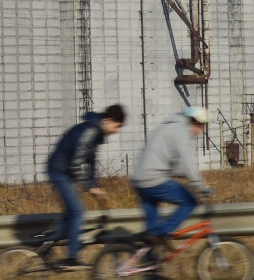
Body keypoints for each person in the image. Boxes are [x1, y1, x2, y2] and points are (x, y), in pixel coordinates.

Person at [45, 104, 126, 269]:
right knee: (78, 212)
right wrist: (90, 187)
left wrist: (94, 185)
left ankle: (46, 244)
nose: (117, 131)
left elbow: (91, 162)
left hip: (65, 171)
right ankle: (72, 257)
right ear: (109, 120)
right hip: (59, 171)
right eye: (117, 126)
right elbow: (76, 164)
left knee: (72, 212)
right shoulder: (90, 132)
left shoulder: (96, 133)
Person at [129, 105, 214, 259]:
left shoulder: (165, 127)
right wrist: (200, 186)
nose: (201, 131)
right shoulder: (180, 130)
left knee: (151, 230)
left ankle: (150, 270)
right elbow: (188, 162)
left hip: (140, 180)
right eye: (201, 126)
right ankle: (163, 232)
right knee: (190, 202)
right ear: (194, 122)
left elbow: (174, 166)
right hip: (153, 179)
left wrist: (188, 178)